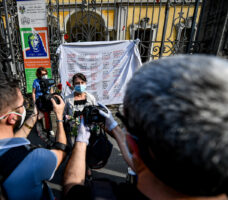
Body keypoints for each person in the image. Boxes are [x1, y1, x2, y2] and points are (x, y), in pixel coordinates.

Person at [63, 55, 228, 200]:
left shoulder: (100, 195)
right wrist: (114, 127)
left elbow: (71, 186)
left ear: (133, 143)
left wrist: (86, 137)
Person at [0, 74, 67, 200]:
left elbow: (12, 147)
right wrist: (59, 117)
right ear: (12, 117)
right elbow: (61, 150)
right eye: (22, 105)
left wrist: (34, 117)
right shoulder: (35, 158)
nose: (25, 107)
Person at [64, 73, 97, 147]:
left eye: (82, 83)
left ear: (85, 83)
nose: (80, 85)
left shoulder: (91, 98)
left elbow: (96, 113)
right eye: (77, 83)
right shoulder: (67, 99)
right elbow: (63, 115)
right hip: (74, 133)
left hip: (89, 132)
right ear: (73, 85)